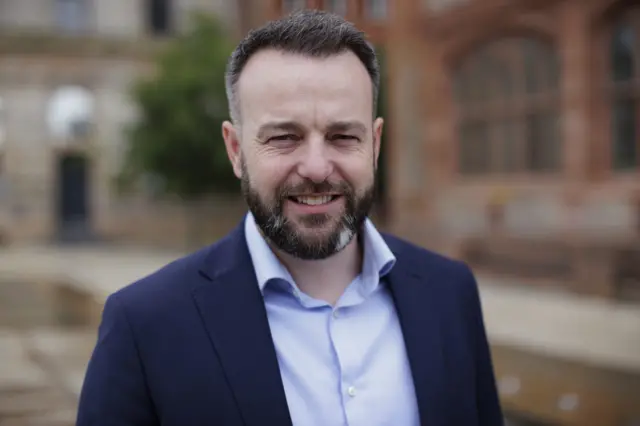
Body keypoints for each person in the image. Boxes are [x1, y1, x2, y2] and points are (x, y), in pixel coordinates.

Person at [76, 10, 503, 426]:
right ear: (236, 149)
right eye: (284, 137)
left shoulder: (451, 294)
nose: (317, 168)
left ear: (373, 145)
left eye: (342, 136)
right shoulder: (145, 324)